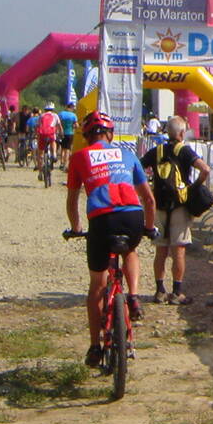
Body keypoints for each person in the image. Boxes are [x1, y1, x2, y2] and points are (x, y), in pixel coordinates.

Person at [63, 110, 157, 368]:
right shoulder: (128, 155)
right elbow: (149, 200)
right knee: (130, 250)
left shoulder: (79, 157)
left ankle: (95, 346)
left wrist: (76, 228)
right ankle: (133, 296)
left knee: (97, 284)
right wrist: (149, 228)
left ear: (86, 136)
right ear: (111, 134)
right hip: (132, 216)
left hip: (102, 219)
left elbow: (72, 200)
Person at [142, 116, 211, 302]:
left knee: (160, 251)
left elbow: (138, 168)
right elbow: (205, 169)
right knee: (178, 250)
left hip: (159, 204)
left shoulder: (157, 151)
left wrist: (147, 189)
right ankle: (177, 292)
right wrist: (194, 187)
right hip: (180, 206)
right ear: (181, 133)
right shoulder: (184, 150)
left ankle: (159, 290)